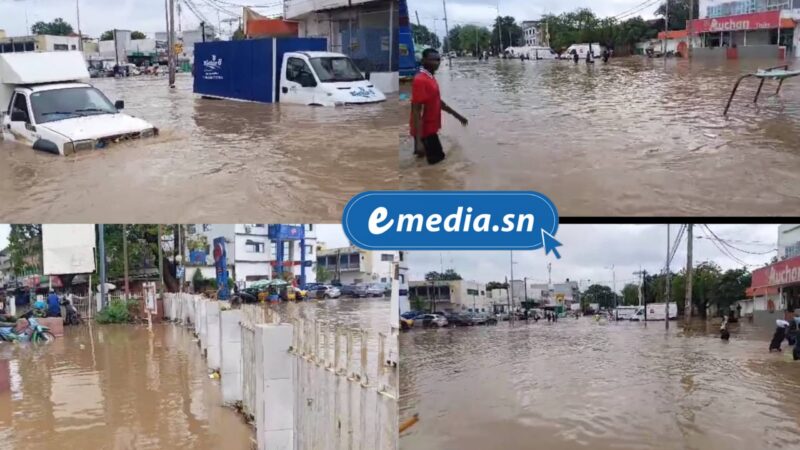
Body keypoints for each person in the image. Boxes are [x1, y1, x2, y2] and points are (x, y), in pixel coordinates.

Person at [410, 48, 469, 165]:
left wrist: (458, 116)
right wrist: (419, 140)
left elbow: (437, 101)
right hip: (425, 131)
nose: (437, 62)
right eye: (433, 60)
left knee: (423, 161)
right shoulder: (420, 80)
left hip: (429, 127)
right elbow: (416, 110)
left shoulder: (430, 77)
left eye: (438, 59)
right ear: (423, 61)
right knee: (438, 163)